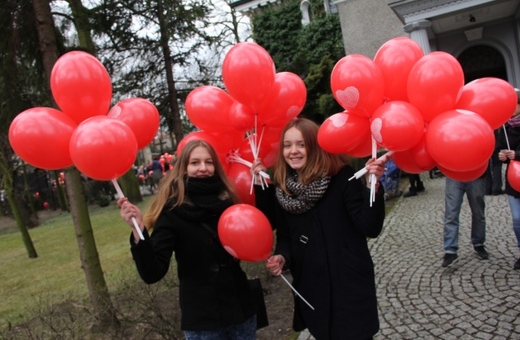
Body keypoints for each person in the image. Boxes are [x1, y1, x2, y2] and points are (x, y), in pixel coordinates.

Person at [251, 117, 388, 340]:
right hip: (313, 288)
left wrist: (373, 184)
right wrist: (282, 257)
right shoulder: (283, 189)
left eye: (301, 144)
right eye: (287, 145)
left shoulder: (341, 177)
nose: (293, 151)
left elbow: (369, 226)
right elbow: (286, 237)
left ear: (315, 146)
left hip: (349, 286)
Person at [118, 140, 257, 340]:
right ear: (183, 169)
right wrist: (139, 232)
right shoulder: (172, 211)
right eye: (195, 163)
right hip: (203, 321)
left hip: (241, 312)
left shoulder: (229, 202)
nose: (203, 168)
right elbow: (153, 272)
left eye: (209, 162)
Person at [442, 173, 488, 267]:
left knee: (478, 212)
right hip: (454, 173)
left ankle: (479, 242)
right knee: (451, 213)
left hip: (476, 174)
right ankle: (450, 250)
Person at [497, 88, 520, 270]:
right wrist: (502, 155)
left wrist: (517, 154)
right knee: (517, 219)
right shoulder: (505, 127)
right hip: (513, 179)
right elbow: (500, 148)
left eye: (512, 105)